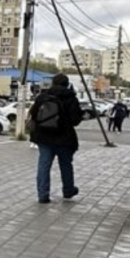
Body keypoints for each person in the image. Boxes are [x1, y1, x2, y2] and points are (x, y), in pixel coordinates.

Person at [29, 73, 83, 204]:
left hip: (44, 137)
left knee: (44, 165)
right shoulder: (71, 98)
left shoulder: (42, 97)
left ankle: (43, 195)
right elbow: (75, 120)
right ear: (67, 84)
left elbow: (34, 115)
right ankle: (68, 190)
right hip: (65, 138)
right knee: (66, 165)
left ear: (53, 83)